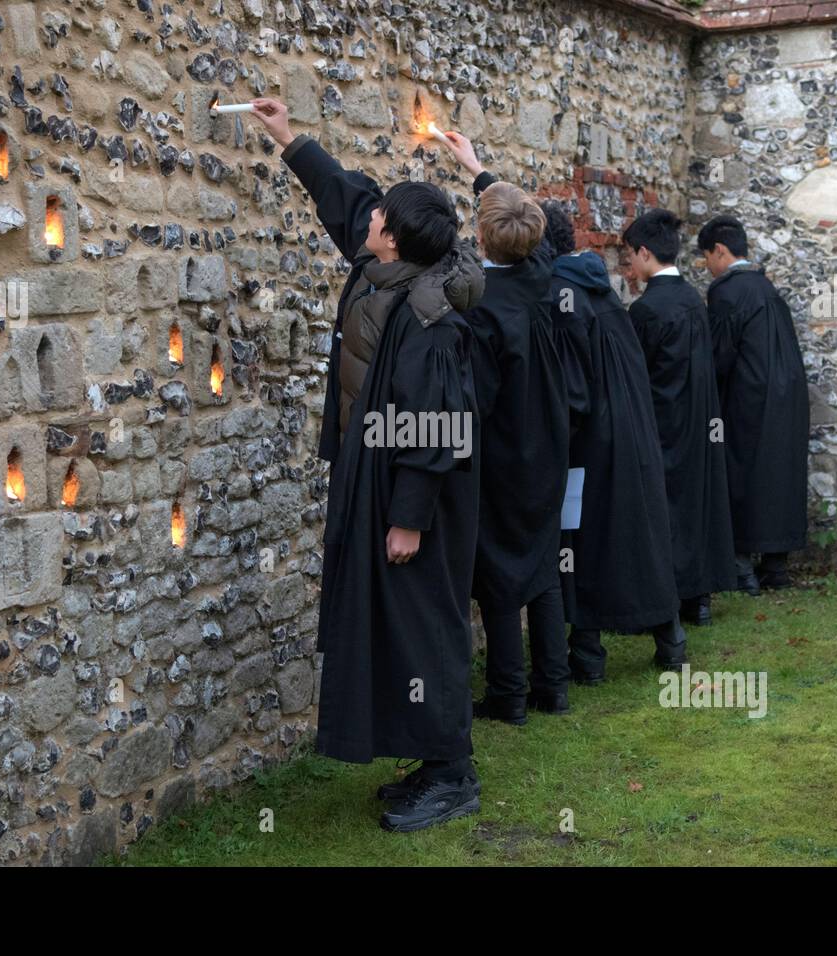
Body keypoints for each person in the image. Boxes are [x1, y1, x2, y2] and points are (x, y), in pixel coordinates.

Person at [250, 98, 485, 832]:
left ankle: (454, 773)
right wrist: (288, 137)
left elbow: (441, 426)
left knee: (423, 624)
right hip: (376, 478)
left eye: (382, 213)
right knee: (392, 623)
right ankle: (428, 755)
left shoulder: (429, 316)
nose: (371, 214)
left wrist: (408, 519)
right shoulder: (384, 264)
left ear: (397, 237)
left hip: (419, 495)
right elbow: (344, 195)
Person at [439, 131, 572, 722]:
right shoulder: (542, 277)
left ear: (482, 236)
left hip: (503, 448)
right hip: (550, 437)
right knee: (541, 560)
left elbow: (479, 397)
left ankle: (508, 695)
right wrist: (478, 169)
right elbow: (515, 219)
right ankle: (554, 684)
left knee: (497, 566)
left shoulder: (481, 305)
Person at [541, 202, 685, 677]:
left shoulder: (562, 296)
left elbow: (573, 388)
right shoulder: (597, 287)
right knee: (637, 536)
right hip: (633, 429)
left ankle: (587, 656)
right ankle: (669, 641)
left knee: (582, 543)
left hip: (594, 440)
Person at [624, 209, 736, 625]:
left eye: (630, 257)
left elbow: (638, 375)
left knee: (665, 511)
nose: (629, 267)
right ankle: (698, 599)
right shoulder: (692, 298)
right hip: (700, 421)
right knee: (696, 506)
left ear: (645, 252)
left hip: (663, 422)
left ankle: (666, 599)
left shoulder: (647, 310)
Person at [697, 215, 809, 592]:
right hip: (787, 393)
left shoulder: (727, 292)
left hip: (749, 395)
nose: (706, 266)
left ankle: (742, 566)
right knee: (779, 475)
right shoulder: (766, 287)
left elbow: (720, 355)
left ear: (721, 251)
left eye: (706, 257)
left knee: (741, 473)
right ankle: (775, 568)